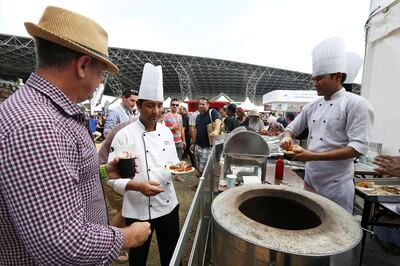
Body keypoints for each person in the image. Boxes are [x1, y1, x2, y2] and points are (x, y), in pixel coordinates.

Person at [0, 6, 151, 265]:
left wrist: (101, 171)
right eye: (101, 71)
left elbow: (61, 183)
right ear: (82, 65)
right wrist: (126, 236)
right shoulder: (37, 127)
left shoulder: (47, 112)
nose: (99, 81)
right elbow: (61, 244)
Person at [279, 37, 374, 213]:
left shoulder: (356, 104)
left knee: (334, 234)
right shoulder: (312, 106)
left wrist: (313, 156)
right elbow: (291, 128)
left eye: (320, 78)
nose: (315, 84)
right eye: (313, 79)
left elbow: (357, 148)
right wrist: (286, 137)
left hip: (336, 186)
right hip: (310, 179)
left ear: (338, 76)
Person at [108, 63, 181, 266]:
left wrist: (178, 167)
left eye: (159, 105)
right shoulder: (125, 136)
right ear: (138, 105)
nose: (156, 111)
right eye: (150, 105)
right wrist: (137, 186)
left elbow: (173, 162)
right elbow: (112, 179)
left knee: (172, 254)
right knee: (138, 259)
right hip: (138, 209)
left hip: (168, 204)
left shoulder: (166, 132)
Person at [191, 97, 221, 183]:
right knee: (199, 167)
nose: (200, 106)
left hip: (207, 147)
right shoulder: (198, 117)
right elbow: (196, 131)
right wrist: (194, 143)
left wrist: (216, 130)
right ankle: (201, 182)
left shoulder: (212, 112)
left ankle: (201, 185)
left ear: (208, 105)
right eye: (199, 104)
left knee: (202, 169)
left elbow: (218, 120)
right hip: (198, 146)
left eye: (203, 104)